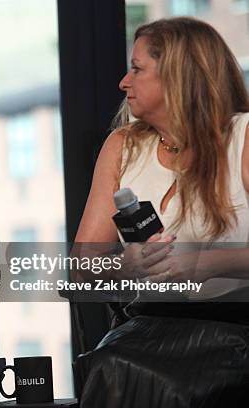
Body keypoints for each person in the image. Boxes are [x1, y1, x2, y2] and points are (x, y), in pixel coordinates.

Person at [74, 17, 249, 407]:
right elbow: (83, 264)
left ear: (178, 77)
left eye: (137, 69)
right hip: (149, 325)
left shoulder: (243, 137)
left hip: (234, 327)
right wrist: (125, 265)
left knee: (143, 376)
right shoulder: (123, 146)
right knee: (113, 363)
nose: (124, 82)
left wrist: (203, 265)